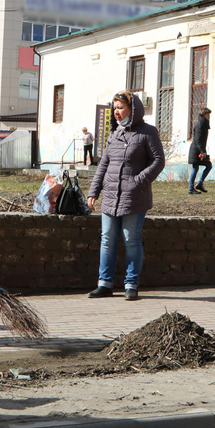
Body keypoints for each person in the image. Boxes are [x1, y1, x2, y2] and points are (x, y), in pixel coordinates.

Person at [86, 91, 165, 301]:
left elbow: (158, 161)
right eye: (114, 108)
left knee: (131, 240)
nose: (116, 112)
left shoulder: (148, 132)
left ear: (133, 109)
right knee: (107, 240)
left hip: (135, 197)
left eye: (120, 107)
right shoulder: (115, 133)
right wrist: (93, 192)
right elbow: (104, 164)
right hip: (111, 196)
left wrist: (138, 181)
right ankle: (104, 284)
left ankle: (131, 284)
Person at [188, 108, 212, 194]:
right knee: (196, 168)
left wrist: (203, 150)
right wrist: (202, 151)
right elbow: (198, 140)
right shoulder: (200, 125)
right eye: (207, 115)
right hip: (196, 150)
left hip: (200, 149)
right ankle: (191, 188)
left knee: (208, 166)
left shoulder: (204, 124)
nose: (209, 116)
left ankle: (199, 184)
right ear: (203, 115)